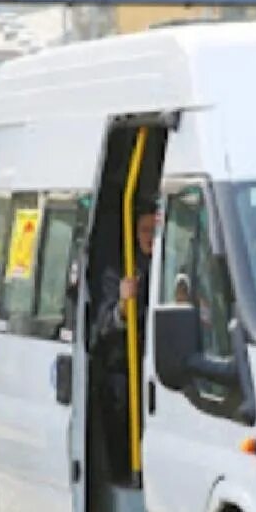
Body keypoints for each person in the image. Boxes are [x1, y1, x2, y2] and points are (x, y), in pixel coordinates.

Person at [93, 199, 157, 466]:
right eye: (145, 230)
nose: (151, 237)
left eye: (156, 229)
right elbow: (103, 326)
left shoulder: (180, 265)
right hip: (127, 367)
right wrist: (122, 305)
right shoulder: (120, 272)